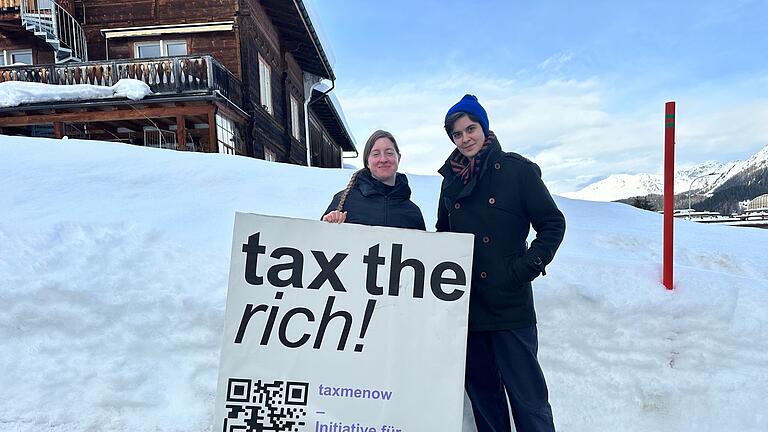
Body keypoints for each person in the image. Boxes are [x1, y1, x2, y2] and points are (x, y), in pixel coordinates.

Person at [436, 95, 566, 432]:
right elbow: (444, 235)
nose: (465, 139)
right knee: (485, 401)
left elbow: (552, 223)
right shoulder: (450, 181)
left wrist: (524, 269)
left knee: (529, 400)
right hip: (469, 308)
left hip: (510, 305)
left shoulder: (516, 170)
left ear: (484, 128)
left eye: (470, 129)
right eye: (457, 134)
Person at [322, 130, 426, 230]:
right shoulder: (344, 201)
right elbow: (321, 241)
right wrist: (328, 223)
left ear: (398, 158)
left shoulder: (413, 213)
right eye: (376, 154)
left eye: (389, 153)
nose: (383, 159)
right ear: (367, 162)